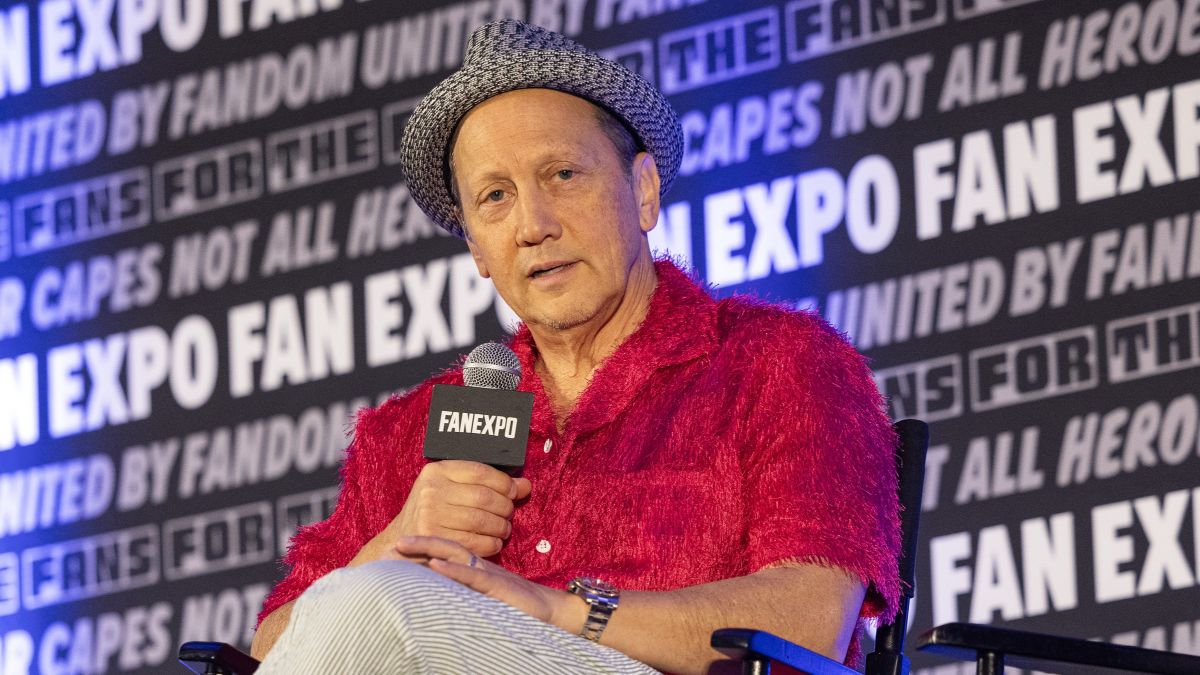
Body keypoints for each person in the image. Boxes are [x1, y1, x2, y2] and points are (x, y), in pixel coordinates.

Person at [250, 19, 900, 675]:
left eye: (562, 174)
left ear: (642, 191)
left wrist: (560, 609)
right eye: (496, 196)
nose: (533, 224)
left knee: (390, 604)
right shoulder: (405, 435)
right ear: (475, 245)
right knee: (379, 591)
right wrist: (395, 541)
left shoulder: (781, 362)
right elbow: (272, 653)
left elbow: (810, 621)